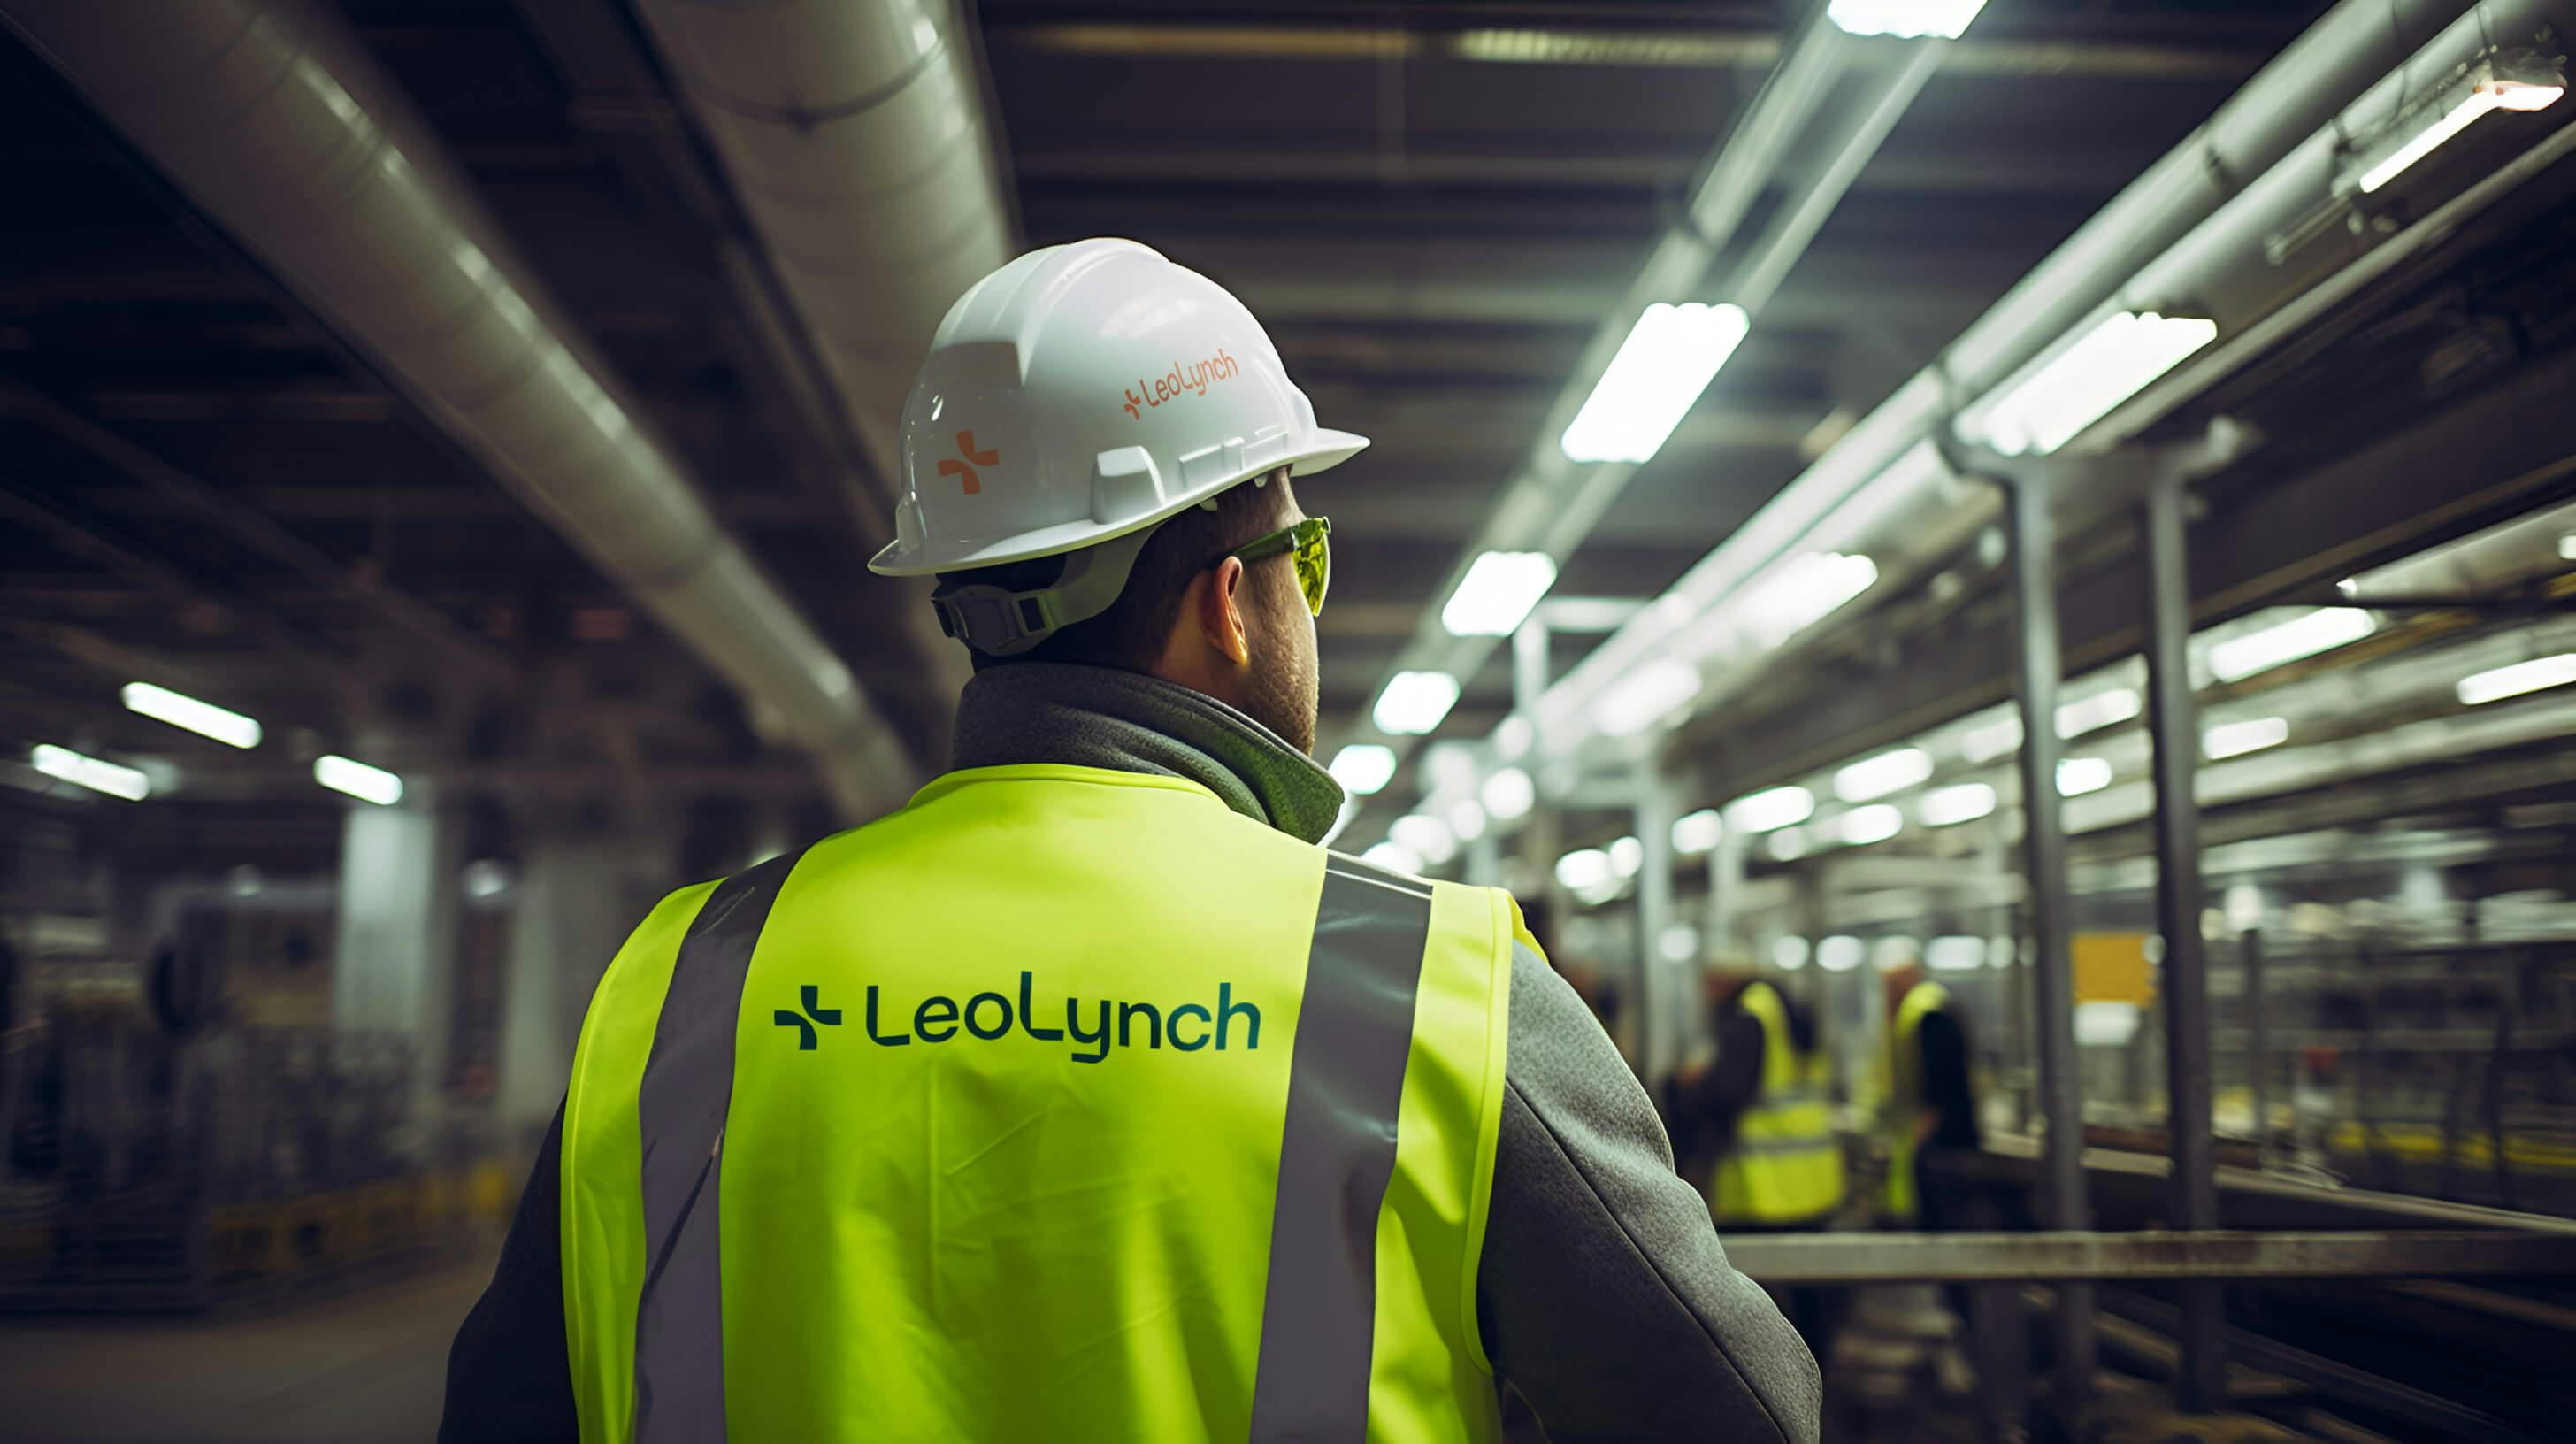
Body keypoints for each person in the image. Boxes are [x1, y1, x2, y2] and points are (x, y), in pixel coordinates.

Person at [440, 240, 1819, 1441]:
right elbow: (1736, 1416)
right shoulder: (1428, 989)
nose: (1310, 608)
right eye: (1308, 561)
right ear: (1230, 603)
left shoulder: (685, 982)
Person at [1668, 972, 1844, 1355]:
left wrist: (1686, 1088)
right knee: (1810, 1304)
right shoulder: (1794, 1014)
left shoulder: (1751, 1018)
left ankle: (1774, 1400)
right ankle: (1815, 1390)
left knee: (1759, 1312)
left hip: (1761, 1191)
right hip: (1812, 1186)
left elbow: (1727, 1094)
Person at [1881, 962, 1981, 1231]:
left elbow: (1944, 1076)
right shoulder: (1931, 1009)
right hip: (1946, 1138)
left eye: (1889, 986)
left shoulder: (1927, 1015)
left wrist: (1926, 1126)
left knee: (1942, 1222)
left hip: (1942, 1141)